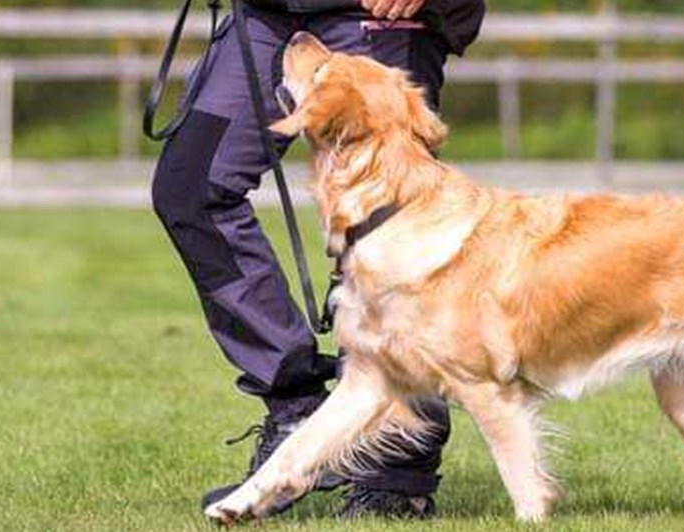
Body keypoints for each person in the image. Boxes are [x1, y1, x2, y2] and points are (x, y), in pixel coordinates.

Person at [149, 0, 485, 520]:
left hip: (378, 11)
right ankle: (295, 404)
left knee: (388, 218)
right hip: (268, 12)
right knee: (191, 187)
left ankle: (396, 470)